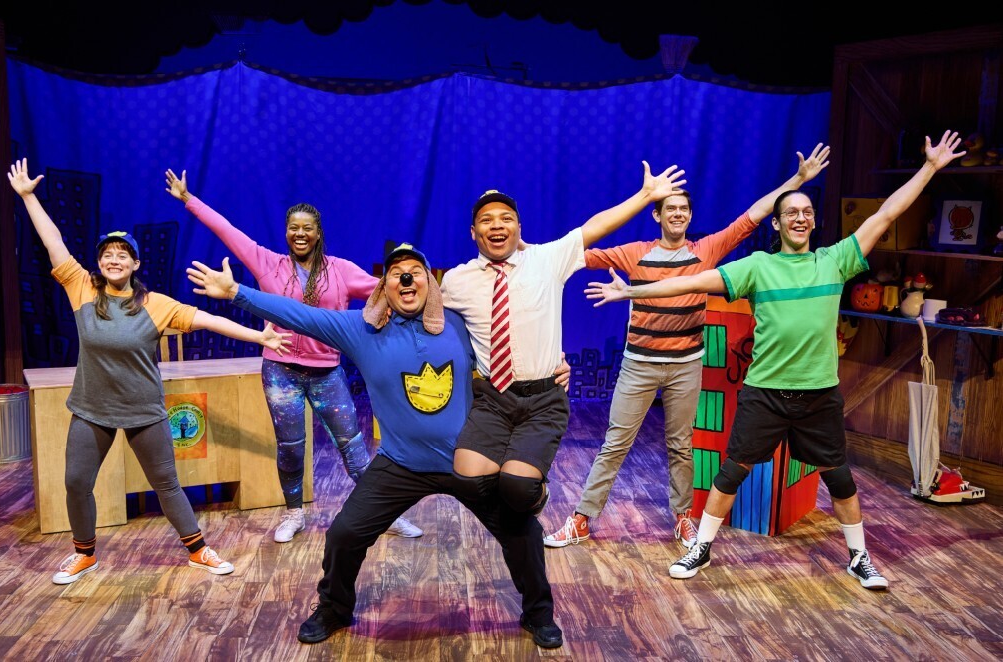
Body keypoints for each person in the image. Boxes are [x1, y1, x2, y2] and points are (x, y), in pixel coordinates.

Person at [584, 131, 965, 590]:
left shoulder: (835, 260)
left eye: (806, 212)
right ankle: (701, 547)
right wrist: (632, 291)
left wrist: (929, 168)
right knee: (731, 472)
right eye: (791, 214)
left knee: (839, 477)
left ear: (813, 223)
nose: (800, 218)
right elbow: (692, 282)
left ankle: (859, 556)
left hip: (818, 393)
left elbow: (886, 213)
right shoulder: (757, 267)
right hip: (764, 391)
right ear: (779, 225)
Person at [188, 245, 570, 648]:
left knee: (523, 533)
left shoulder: (460, 324)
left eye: (415, 271)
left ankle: (538, 613)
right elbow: (300, 314)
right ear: (383, 286)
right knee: (344, 534)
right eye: (396, 273)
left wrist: (552, 365)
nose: (406, 278)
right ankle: (334, 608)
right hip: (400, 464)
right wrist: (236, 293)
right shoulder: (361, 331)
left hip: (465, 460)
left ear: (431, 282)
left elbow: (513, 342)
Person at [8, 158, 291, 584]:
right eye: (107, 255)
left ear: (136, 264)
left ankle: (198, 550)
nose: (114, 259)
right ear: (99, 264)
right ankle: (84, 555)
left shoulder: (155, 304)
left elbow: (209, 320)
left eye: (122, 255)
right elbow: (54, 243)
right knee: (76, 482)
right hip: (92, 409)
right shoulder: (82, 289)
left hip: (144, 411)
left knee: (166, 484)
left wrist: (259, 337)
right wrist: (29, 197)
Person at [545, 144, 831, 550]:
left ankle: (683, 518)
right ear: (657, 216)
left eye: (683, 209)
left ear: (690, 216)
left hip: (685, 366)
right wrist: (529, 254)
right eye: (670, 208)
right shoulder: (635, 253)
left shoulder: (705, 251)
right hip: (639, 366)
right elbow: (574, 255)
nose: (677, 214)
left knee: (681, 447)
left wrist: (798, 180)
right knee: (615, 444)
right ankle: (581, 519)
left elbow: (752, 217)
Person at [164, 170, 423, 542]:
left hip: (326, 373)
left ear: (318, 233)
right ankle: (293, 513)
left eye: (307, 229)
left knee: (353, 446)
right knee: (290, 448)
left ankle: (388, 515)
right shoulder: (267, 263)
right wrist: (189, 200)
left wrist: (410, 271)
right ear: (286, 232)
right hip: (280, 371)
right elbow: (227, 230)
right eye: (293, 228)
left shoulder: (341, 271)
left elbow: (385, 289)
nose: (300, 234)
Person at [441, 162, 686, 517]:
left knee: (518, 488)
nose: (496, 225)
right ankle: (513, 496)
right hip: (493, 398)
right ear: (473, 232)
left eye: (506, 218)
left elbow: (594, 227)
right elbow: (428, 318)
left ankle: (533, 491)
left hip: (543, 398)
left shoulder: (546, 259)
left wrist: (646, 195)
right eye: (486, 220)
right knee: (467, 481)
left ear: (518, 228)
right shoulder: (456, 281)